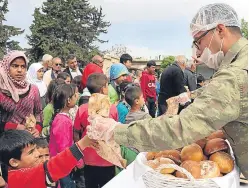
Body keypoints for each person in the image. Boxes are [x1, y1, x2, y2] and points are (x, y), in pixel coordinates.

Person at [87, 3, 248, 178]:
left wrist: (116, 131)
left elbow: (182, 128)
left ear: (220, 30)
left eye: (199, 40)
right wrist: (191, 95)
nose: (197, 50)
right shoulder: (241, 62)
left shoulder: (235, 74)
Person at [0, 129, 97, 188]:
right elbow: (55, 166)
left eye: (35, 149)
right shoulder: (20, 177)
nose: (37, 154)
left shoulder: (13, 173)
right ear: (14, 162)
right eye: (31, 152)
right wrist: (82, 144)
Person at [74, 73, 118, 188]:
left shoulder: (82, 108)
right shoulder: (112, 108)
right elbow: (115, 133)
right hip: (107, 157)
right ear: (104, 88)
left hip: (88, 158)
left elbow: (76, 132)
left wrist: (80, 152)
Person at [0, 51, 42, 137]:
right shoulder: (1, 90)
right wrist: (14, 127)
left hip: (27, 139)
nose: (19, 70)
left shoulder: (33, 89)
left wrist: (37, 129)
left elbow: (39, 113)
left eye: (23, 66)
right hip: (5, 140)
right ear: (6, 67)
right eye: (15, 66)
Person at [49, 84, 79, 188]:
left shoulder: (62, 118)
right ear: (68, 100)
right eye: (75, 95)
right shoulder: (63, 121)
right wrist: (73, 162)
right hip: (62, 164)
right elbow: (63, 146)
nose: (77, 96)